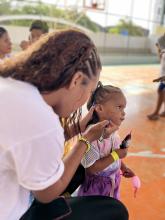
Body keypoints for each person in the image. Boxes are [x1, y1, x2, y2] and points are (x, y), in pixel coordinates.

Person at [0, 29, 129, 220]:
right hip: (14, 212)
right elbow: (46, 194)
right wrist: (85, 140)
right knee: (115, 211)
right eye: (90, 90)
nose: (88, 98)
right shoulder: (42, 119)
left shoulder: (12, 86)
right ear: (76, 80)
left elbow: (33, 143)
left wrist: (78, 128)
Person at [77, 82, 135, 199]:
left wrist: (123, 167)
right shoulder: (91, 136)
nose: (123, 112)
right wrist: (117, 154)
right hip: (96, 188)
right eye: (119, 107)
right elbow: (91, 169)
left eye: (124, 108)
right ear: (99, 108)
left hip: (112, 182)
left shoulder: (112, 131)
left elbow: (111, 155)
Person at [147, 35, 165, 120]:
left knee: (162, 92)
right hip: (163, 76)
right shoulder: (163, 51)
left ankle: (156, 113)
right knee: (161, 91)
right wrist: (159, 50)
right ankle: (159, 112)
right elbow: (161, 59)